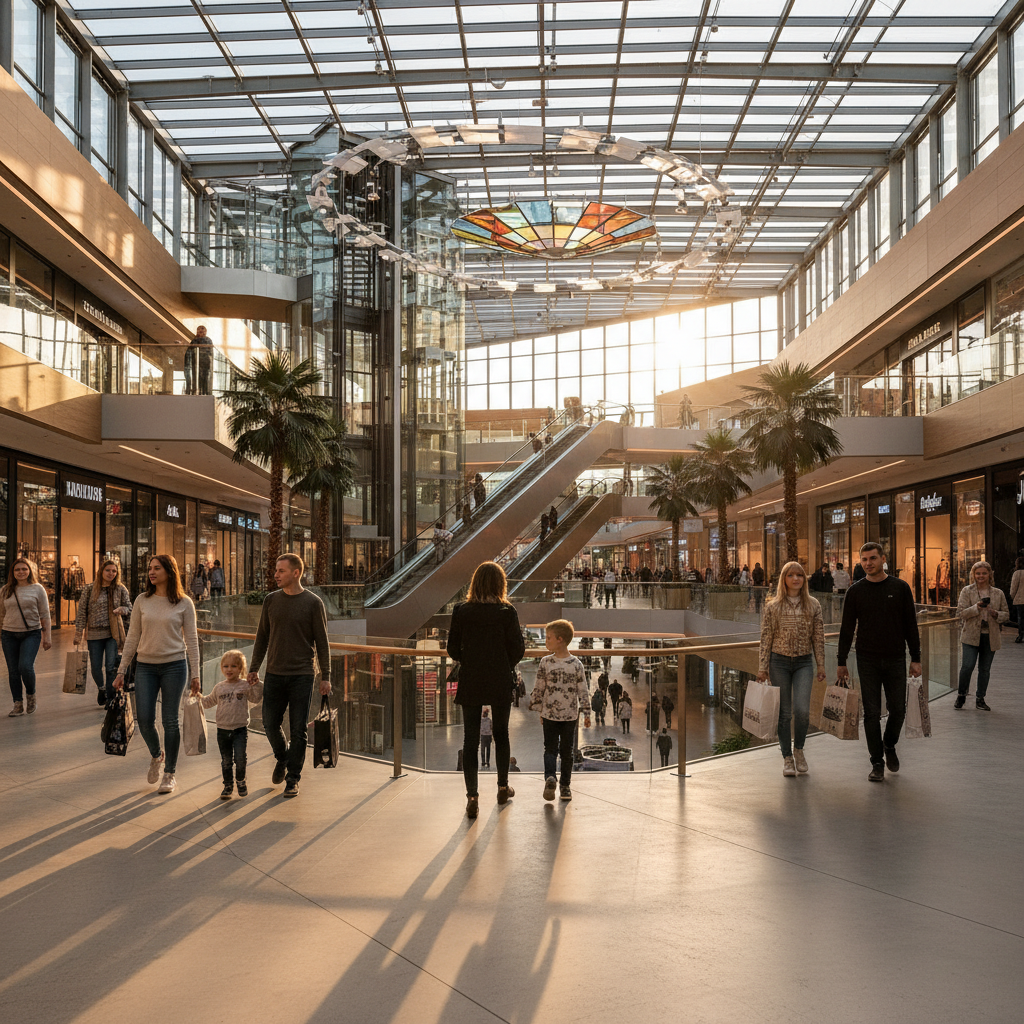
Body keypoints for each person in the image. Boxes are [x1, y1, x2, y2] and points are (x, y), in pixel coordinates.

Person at [247, 553, 332, 799]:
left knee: (298, 729)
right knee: (269, 723)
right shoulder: (270, 601)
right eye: (275, 570)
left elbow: (323, 642)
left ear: (296, 573)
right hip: (274, 673)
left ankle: (293, 778)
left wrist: (325, 676)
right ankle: (283, 758)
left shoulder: (313, 603)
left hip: (302, 675)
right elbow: (262, 636)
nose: (275, 574)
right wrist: (254, 667)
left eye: (281, 571)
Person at [114, 555, 200, 795]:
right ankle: (156, 755)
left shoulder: (184, 603)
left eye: (156, 568)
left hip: (175, 665)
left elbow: (192, 641)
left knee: (170, 720)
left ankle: (170, 773)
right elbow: (132, 638)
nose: (151, 572)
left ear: (169, 572)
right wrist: (122, 670)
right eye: (149, 568)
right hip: (146, 666)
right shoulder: (142, 600)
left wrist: (196, 674)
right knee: (144, 719)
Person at [837, 542, 921, 783]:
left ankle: (889, 744)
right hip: (867, 659)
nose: (868, 563)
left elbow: (910, 626)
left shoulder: (900, 587)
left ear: (883, 559)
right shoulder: (855, 591)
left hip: (896, 658)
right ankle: (876, 762)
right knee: (871, 713)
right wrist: (841, 661)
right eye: (864, 560)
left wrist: (916, 658)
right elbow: (846, 629)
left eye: (872, 558)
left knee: (898, 709)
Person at [447, 561, 526, 818]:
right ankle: (503, 787)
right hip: (499, 678)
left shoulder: (461, 611)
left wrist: (470, 659)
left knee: (470, 740)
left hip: (471, 678)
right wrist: (503, 663)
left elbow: (452, 649)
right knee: (501, 735)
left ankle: (472, 797)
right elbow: (518, 649)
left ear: (475, 583)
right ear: (500, 584)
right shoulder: (507, 611)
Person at [757, 561, 826, 777]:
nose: (796, 579)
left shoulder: (813, 605)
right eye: (791, 575)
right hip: (779, 662)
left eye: (800, 575)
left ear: (804, 579)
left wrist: (821, 663)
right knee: (784, 713)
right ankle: (787, 756)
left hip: (804, 662)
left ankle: (799, 751)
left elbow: (818, 636)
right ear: (784, 579)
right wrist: (762, 667)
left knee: (802, 711)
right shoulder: (773, 606)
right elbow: (766, 637)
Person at [529, 619, 589, 802]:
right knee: (567, 751)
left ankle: (550, 778)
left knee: (550, 748)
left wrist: (539, 708)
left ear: (560, 639)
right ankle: (565, 786)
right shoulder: (576, 663)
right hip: (570, 715)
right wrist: (586, 712)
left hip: (550, 714)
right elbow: (582, 689)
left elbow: (539, 688)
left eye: (548, 638)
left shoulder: (545, 663)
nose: (546, 642)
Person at [200, 649, 262, 799]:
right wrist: (197, 697)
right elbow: (208, 702)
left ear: (241, 669)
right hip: (222, 730)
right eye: (226, 666)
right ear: (222, 668)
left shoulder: (245, 685)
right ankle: (228, 785)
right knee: (226, 760)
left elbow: (255, 698)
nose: (229, 669)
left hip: (240, 729)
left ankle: (241, 781)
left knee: (240, 758)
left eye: (234, 666)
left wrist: (257, 684)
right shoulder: (219, 687)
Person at [74, 559, 131, 707]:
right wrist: (78, 632)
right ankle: (102, 689)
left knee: (111, 666)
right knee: (95, 667)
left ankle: (111, 698)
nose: (111, 573)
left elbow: (130, 608)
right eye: (108, 570)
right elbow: (82, 612)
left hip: (113, 633)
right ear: (101, 571)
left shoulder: (120, 589)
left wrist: (122, 610)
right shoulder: (90, 589)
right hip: (94, 634)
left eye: (114, 571)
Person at [954, 560, 1009, 711]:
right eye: (978, 573)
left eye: (984, 573)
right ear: (973, 575)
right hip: (970, 636)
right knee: (967, 666)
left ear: (990, 574)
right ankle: (961, 695)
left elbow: (1006, 615)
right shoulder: (967, 591)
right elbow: (960, 613)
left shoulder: (998, 593)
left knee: (985, 669)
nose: (981, 576)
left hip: (990, 636)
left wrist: (995, 613)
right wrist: (975, 608)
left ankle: (980, 699)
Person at [2, 557, 52, 717]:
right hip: (8, 634)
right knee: (13, 671)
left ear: (30, 571)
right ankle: (17, 704)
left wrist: (47, 637)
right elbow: (1, 614)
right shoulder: (5, 590)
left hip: (31, 633)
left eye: (24, 569)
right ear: (13, 573)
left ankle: (31, 695)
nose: (21, 572)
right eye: (17, 569)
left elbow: (45, 614)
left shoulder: (38, 589)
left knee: (25, 666)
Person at [185, 324, 214, 395]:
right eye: (199, 330)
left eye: (202, 329)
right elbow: (189, 350)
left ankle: (205, 391)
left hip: (205, 361)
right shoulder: (194, 340)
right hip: (196, 362)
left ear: (205, 331)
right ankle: (197, 391)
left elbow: (210, 351)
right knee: (197, 377)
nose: (201, 331)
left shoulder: (208, 340)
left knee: (205, 377)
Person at [1010, 556, 1024, 643]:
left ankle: (1020, 635)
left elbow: (1013, 588)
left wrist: (1012, 597)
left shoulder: (1017, 573)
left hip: (1020, 600)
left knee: (1021, 618)